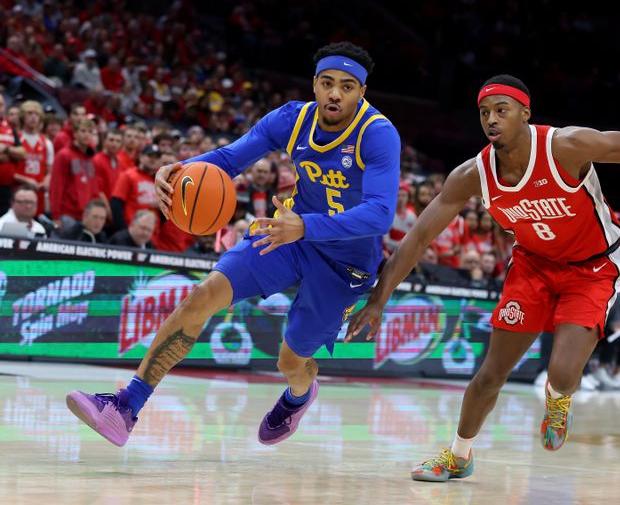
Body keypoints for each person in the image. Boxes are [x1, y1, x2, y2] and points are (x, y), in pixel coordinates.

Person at [346, 74, 620, 482]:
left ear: (525, 113)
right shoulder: (472, 175)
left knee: (561, 371)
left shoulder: (567, 146)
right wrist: (380, 298)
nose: (491, 119)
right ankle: (458, 456)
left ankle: (558, 400)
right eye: (484, 112)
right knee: (490, 374)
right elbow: (419, 237)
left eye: (502, 110)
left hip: (594, 268)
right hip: (532, 267)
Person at [66, 42, 401, 449]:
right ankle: (125, 407)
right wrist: (180, 171)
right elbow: (228, 160)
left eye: (347, 87)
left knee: (291, 361)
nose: (335, 94)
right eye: (327, 83)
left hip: (344, 261)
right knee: (203, 294)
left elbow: (380, 214)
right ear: (314, 83)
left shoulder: (378, 134)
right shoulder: (292, 118)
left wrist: (306, 226)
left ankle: (299, 395)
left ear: (361, 92)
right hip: (287, 233)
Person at [49, 119, 101, 230]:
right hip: (67, 213)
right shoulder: (64, 154)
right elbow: (56, 186)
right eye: (83, 131)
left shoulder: (92, 158)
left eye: (90, 132)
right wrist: (56, 215)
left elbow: (94, 188)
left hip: (87, 215)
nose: (87, 135)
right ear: (75, 133)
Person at [14, 100, 53, 215]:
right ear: (23, 117)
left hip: (38, 194)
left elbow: (49, 171)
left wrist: (45, 182)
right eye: (29, 113)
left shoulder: (46, 143)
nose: (33, 117)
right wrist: (25, 180)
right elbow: (9, 172)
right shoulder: (16, 139)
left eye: (36, 114)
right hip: (18, 192)